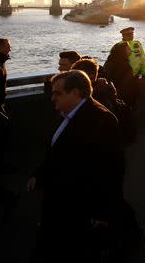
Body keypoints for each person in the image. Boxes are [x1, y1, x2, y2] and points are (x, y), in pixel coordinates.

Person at [27, 70, 123, 263]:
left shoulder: (102, 119)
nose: (52, 98)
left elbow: (110, 170)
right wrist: (39, 175)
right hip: (59, 201)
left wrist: (101, 212)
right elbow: (55, 152)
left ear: (76, 93)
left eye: (58, 93)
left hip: (79, 207)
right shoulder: (65, 114)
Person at [73, 58, 136, 145]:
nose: (72, 82)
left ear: (90, 77)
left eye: (75, 78)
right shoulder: (103, 93)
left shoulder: (100, 104)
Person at [103, 41, 139, 108]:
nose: (131, 50)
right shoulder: (115, 62)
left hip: (127, 94)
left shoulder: (124, 61)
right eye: (128, 49)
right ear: (122, 51)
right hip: (122, 95)